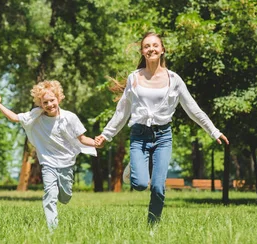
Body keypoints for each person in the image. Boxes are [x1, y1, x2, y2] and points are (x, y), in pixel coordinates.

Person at [94, 32, 229, 224]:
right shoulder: (134, 78)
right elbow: (122, 112)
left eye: (155, 45)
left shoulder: (174, 79)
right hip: (139, 135)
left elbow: (193, 110)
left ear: (162, 49)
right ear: (142, 51)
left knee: (158, 187)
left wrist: (214, 131)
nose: (151, 49)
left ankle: (153, 226)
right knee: (140, 184)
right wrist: (105, 135)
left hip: (163, 136)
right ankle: (134, 167)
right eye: (147, 46)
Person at [0, 80, 97, 229]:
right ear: (40, 103)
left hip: (66, 162)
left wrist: (97, 142)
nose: (50, 104)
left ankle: (62, 195)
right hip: (48, 163)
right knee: (50, 194)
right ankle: (53, 228)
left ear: (59, 98)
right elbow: (13, 117)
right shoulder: (36, 116)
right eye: (45, 102)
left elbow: (82, 139)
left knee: (65, 197)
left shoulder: (70, 117)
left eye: (52, 100)